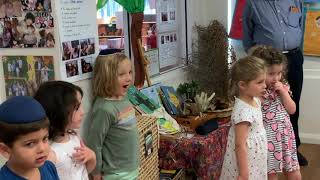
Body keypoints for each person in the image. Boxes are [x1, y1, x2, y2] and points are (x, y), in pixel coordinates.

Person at [242, 0, 308, 166]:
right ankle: (263, 148)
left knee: (292, 104)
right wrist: (257, 62)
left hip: (293, 59)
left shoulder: (295, 1)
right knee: (261, 104)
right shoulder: (253, 4)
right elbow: (247, 36)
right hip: (265, 64)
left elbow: (301, 28)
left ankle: (292, 149)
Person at [85, 53, 139, 180]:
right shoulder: (104, 108)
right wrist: (96, 172)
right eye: (121, 74)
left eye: (130, 72)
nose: (129, 78)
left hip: (131, 169)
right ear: (106, 78)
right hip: (116, 174)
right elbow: (94, 143)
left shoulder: (124, 98)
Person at [250, 45, 301, 180]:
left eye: (279, 73)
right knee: (270, 175)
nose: (276, 78)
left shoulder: (283, 86)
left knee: (294, 173)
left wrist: (283, 92)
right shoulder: (256, 91)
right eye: (271, 74)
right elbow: (253, 112)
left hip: (286, 136)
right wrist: (259, 94)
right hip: (267, 138)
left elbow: (292, 109)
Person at [34, 81, 96, 180]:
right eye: (77, 108)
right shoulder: (48, 153)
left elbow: (83, 172)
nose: (83, 112)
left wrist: (92, 157)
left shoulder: (74, 136)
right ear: (59, 112)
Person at [220, 56, 267, 180]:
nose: (264, 85)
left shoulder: (255, 99)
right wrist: (243, 174)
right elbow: (240, 144)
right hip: (246, 164)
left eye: (264, 81)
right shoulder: (243, 112)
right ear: (242, 85)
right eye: (259, 82)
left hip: (256, 159)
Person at [0, 96, 59, 179]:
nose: (42, 149)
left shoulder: (49, 167)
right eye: (30, 144)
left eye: (45, 138)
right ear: (5, 150)